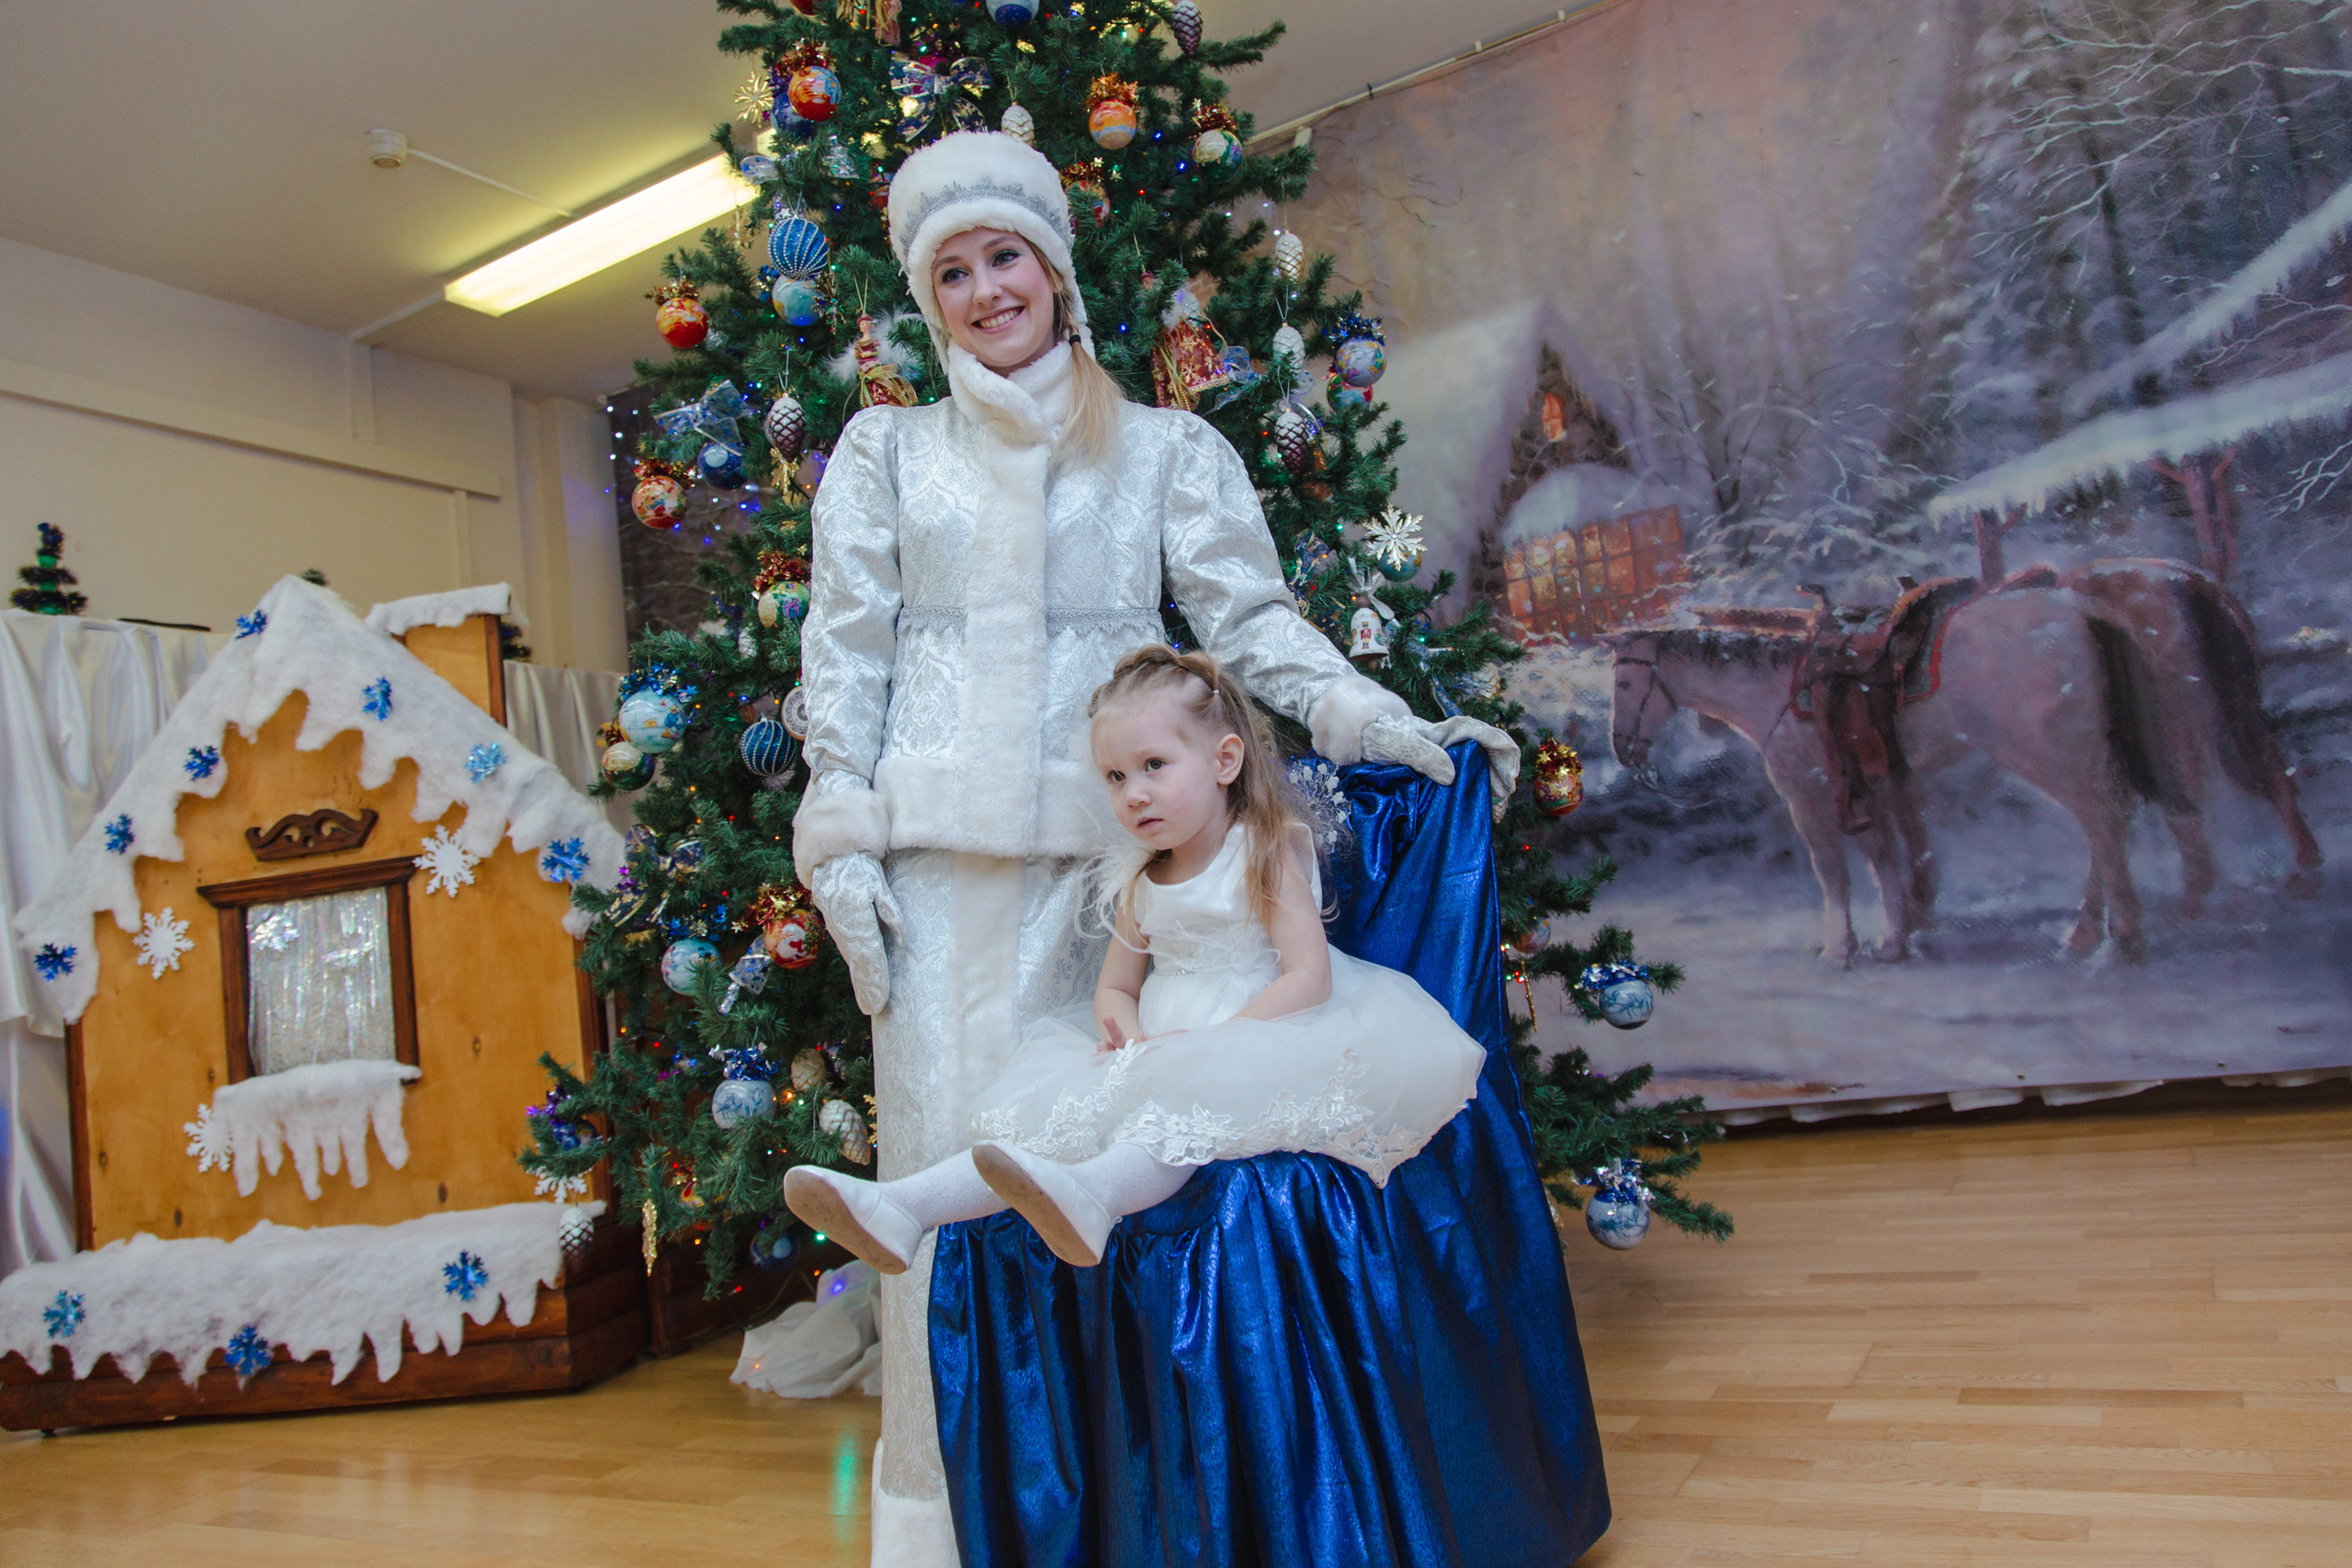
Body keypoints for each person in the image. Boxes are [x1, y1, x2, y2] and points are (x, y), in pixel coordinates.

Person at [790, 129, 1514, 1562]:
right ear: (928, 301)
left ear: (1053, 271)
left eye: (1006, 256)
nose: (987, 288)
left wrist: (1363, 713)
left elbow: (1248, 623)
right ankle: (947, 1526)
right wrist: (840, 819)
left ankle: (1126, 1516)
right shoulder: (884, 452)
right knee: (948, 1175)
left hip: (1122, 859)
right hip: (939, 876)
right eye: (954, 269)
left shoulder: (1171, 449)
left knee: (1113, 1176)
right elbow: (847, 649)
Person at [786, 649, 1487, 1272]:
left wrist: (1223, 1041)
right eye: (1116, 776)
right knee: (1046, 1118)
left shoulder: (1261, 850)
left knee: (1165, 1124)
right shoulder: (1140, 880)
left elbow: (1309, 976)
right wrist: (1119, 1025)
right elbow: (1117, 985)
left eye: (1154, 766)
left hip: (1259, 1031)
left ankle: (1095, 1196)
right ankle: (902, 1206)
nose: (1135, 792)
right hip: (1158, 1042)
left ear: (1224, 761)